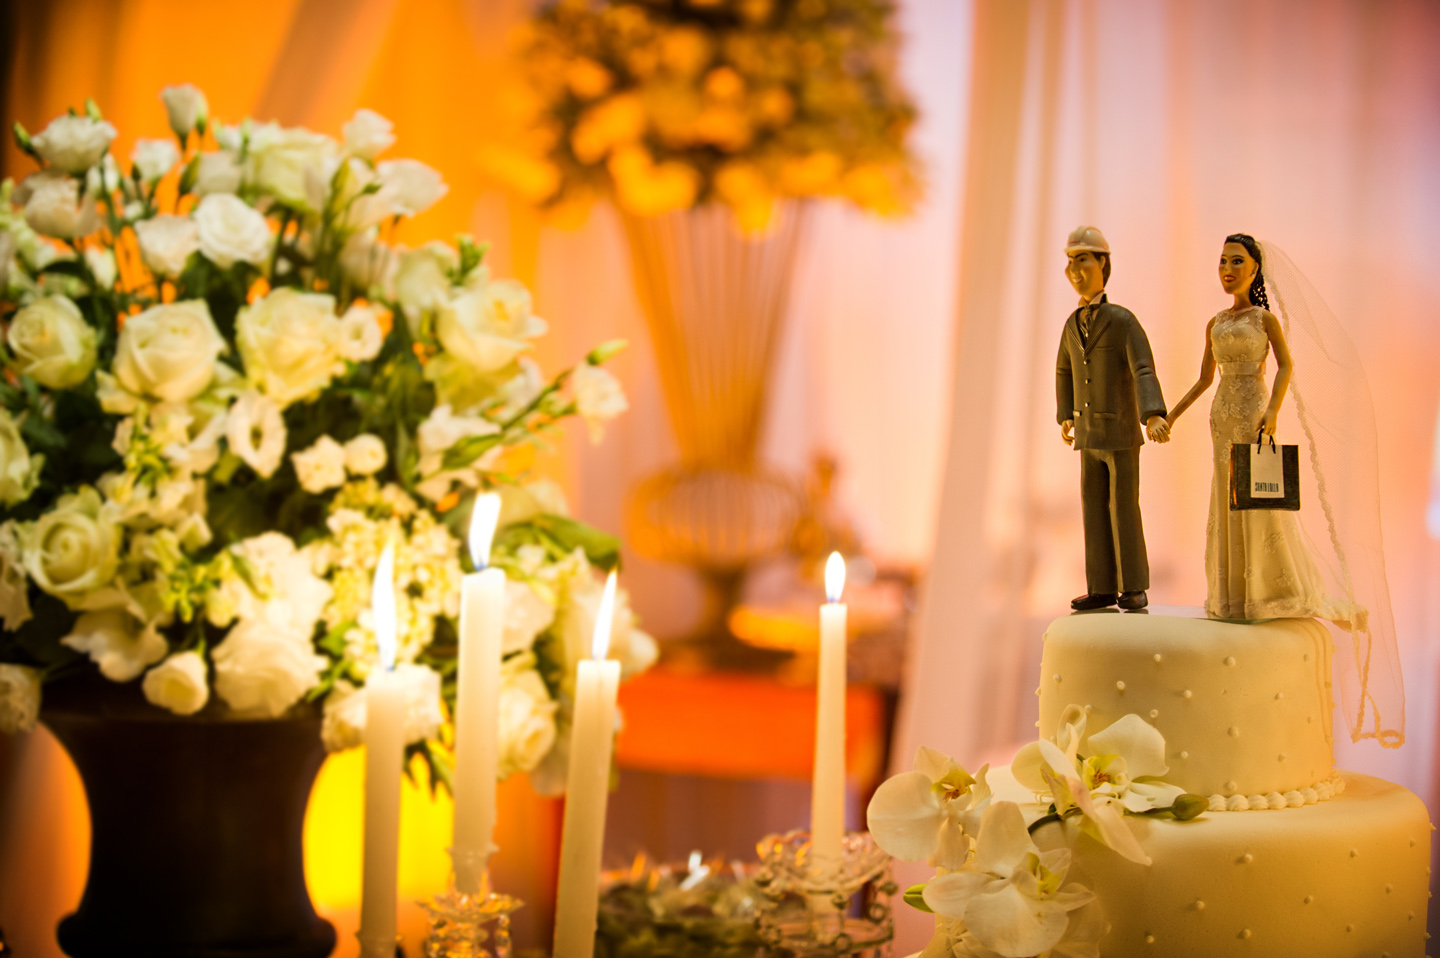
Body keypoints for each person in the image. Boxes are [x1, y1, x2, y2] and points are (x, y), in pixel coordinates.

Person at [1154, 233, 1361, 627]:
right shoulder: (1215, 322)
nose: (1228, 270)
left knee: (1257, 495)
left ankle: (1268, 591)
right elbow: (1203, 380)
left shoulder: (1263, 320)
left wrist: (1274, 411)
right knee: (1227, 496)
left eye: (1236, 261)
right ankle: (1233, 595)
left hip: (1253, 413)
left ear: (1254, 268)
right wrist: (1171, 416)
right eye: (1222, 262)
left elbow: (1286, 365)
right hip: (1222, 416)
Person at [1055, 226, 1168, 612]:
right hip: (1088, 435)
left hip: (1120, 432)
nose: (1075, 269)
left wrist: (1151, 414)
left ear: (1103, 264)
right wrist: (1065, 415)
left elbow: (1142, 368)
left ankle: (1133, 585)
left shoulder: (1122, 321)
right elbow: (1064, 372)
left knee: (1124, 510)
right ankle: (1101, 586)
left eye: (1082, 259)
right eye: (1070, 261)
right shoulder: (1072, 324)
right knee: (1093, 511)